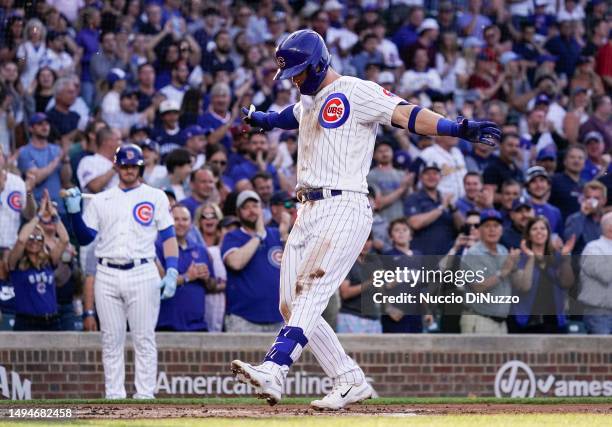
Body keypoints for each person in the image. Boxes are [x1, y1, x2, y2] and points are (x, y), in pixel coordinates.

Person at [230, 29, 500, 410]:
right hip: (306, 208)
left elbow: (405, 113)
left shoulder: (358, 90)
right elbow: (293, 115)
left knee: (311, 291)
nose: (295, 79)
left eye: (299, 72)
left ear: (319, 62)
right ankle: (348, 380)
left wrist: (453, 127)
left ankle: (275, 367)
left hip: (344, 204)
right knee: (290, 302)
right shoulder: (308, 99)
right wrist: (266, 120)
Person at [63, 144, 179, 399]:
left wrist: (171, 270)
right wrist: (74, 214)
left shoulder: (156, 196)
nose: (128, 170)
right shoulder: (101, 198)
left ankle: (145, 395)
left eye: (133, 166)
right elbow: (84, 238)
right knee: (111, 339)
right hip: (107, 271)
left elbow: (169, 237)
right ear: (116, 167)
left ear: (140, 167)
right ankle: (114, 395)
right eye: (123, 165)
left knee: (144, 338)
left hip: (142, 270)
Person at [221, 190, 284, 332]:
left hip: (279, 318)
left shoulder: (276, 234)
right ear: (238, 213)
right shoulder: (233, 237)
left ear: (262, 209)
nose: (251, 211)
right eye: (246, 207)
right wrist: (258, 236)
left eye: (255, 206)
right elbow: (236, 263)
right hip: (243, 318)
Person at [7, 193, 69, 331]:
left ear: (43, 241)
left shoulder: (48, 261)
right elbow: (21, 239)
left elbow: (64, 240)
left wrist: (54, 215)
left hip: (52, 321)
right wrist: (39, 215)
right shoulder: (15, 262)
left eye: (38, 237)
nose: (34, 240)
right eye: (31, 237)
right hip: (26, 322)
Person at [509, 216, 575, 334]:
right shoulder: (519, 258)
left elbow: (567, 283)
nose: (539, 231)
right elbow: (524, 287)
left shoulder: (557, 257)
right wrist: (531, 258)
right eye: (534, 229)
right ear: (528, 235)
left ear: (548, 233)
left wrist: (565, 258)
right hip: (526, 324)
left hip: (555, 323)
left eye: (543, 228)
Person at [460, 209, 520, 334]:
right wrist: (503, 272)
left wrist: (514, 268)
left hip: (501, 323)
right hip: (479, 320)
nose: (492, 230)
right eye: (487, 226)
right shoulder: (473, 253)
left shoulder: (503, 250)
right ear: (480, 230)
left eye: (496, 226)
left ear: (502, 229)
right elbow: (477, 287)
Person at [155, 205, 213, 332]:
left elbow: (211, 286)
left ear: (191, 223)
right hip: (166, 324)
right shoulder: (156, 247)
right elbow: (159, 283)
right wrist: (187, 277)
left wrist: (206, 278)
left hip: (198, 325)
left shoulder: (201, 250)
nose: (180, 223)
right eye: (176, 219)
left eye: (185, 219)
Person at [404, 162, 463, 256]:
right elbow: (415, 223)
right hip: (423, 254)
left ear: (441, 177)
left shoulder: (445, 198)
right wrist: (442, 207)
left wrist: (454, 208)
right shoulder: (414, 198)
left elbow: (462, 228)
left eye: (435, 174)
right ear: (421, 178)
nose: (431, 177)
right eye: (427, 174)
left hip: (447, 255)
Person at [337, 234, 383, 333]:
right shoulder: (347, 262)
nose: (365, 244)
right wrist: (370, 282)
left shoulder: (375, 261)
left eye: (369, 240)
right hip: (351, 317)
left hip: (373, 318)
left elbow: (381, 290)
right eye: (362, 239)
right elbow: (345, 293)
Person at [194, 203, 227, 333]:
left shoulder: (227, 243)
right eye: (205, 216)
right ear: (199, 220)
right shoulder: (193, 245)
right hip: (201, 298)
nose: (209, 219)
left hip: (224, 300)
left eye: (213, 216)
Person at [579, 211, 612, 334]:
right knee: (603, 353)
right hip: (600, 315)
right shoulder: (593, 248)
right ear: (610, 227)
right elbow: (605, 275)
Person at [367, 140, 412, 223]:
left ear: (392, 153)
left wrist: (408, 186)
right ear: (374, 155)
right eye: (380, 151)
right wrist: (402, 189)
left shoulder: (402, 174)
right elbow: (378, 204)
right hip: (381, 222)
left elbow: (409, 200)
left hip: (401, 221)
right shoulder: (371, 175)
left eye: (387, 150)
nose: (384, 154)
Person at [564, 180, 607, 255]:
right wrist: (582, 214)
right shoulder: (574, 218)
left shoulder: (608, 220)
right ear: (583, 199)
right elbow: (568, 241)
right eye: (588, 197)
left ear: (604, 200)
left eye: (596, 198)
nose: (591, 201)